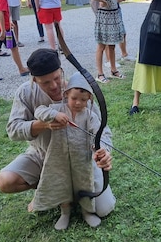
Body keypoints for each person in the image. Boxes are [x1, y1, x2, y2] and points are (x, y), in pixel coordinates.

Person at [0, 48, 115, 221]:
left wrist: (103, 149)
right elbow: (13, 130)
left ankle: (72, 191)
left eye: (57, 78)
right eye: (45, 82)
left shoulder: (77, 90)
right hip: (43, 156)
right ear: (34, 80)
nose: (54, 86)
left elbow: (102, 129)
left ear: (61, 71)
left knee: (104, 209)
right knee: (6, 181)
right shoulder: (26, 93)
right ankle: (50, 189)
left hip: (80, 159)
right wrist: (42, 125)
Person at [30, 72, 111, 229]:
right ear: (66, 94)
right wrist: (53, 114)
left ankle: (87, 212)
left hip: (82, 159)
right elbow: (38, 111)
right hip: (59, 158)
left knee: (85, 184)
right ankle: (65, 213)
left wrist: (99, 146)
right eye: (74, 98)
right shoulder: (57, 108)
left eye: (83, 100)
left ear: (90, 100)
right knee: (62, 183)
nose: (78, 103)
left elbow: (98, 131)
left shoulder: (89, 115)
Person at [90, 0, 126, 83]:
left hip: (114, 16)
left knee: (112, 45)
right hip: (105, 18)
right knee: (101, 46)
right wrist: (102, 1)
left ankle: (113, 70)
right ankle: (100, 74)